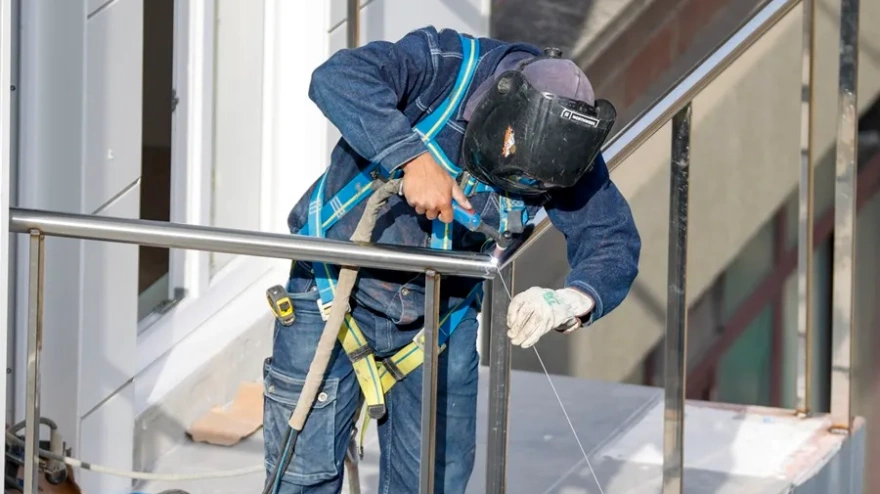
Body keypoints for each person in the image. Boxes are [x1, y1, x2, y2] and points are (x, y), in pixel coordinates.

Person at [262, 26, 641, 494]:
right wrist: (410, 157)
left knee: (432, 484)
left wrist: (569, 300)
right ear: (498, 108)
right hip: (333, 291)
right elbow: (336, 77)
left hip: (442, 318)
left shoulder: (568, 149)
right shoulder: (440, 66)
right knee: (302, 480)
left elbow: (612, 237)